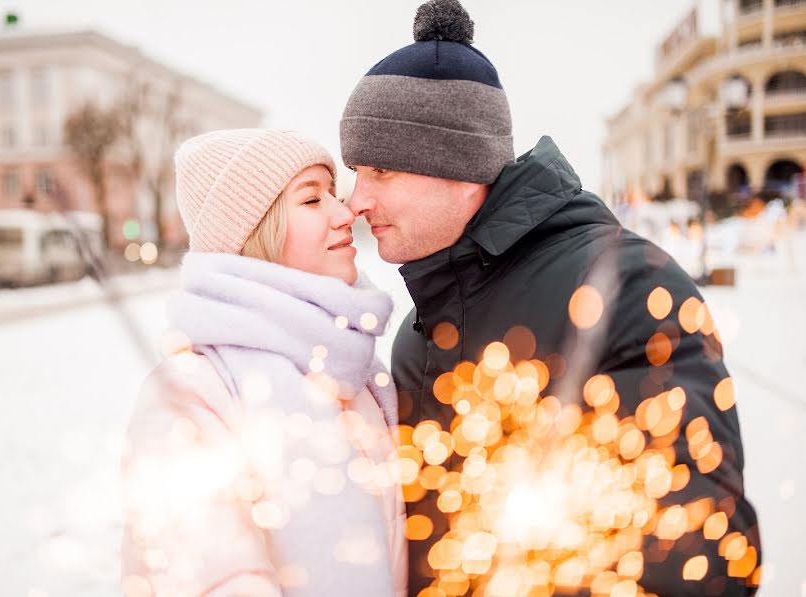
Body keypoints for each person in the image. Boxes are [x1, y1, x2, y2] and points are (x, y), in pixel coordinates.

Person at [340, 1, 761, 595]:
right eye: (355, 171)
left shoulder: (624, 286)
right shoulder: (414, 337)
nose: (355, 200)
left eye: (379, 171)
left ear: (458, 167)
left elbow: (701, 551)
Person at [120, 129, 406, 597]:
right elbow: (210, 577)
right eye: (312, 201)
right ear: (256, 231)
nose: (345, 212)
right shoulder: (191, 389)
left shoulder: (359, 370)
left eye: (333, 194)